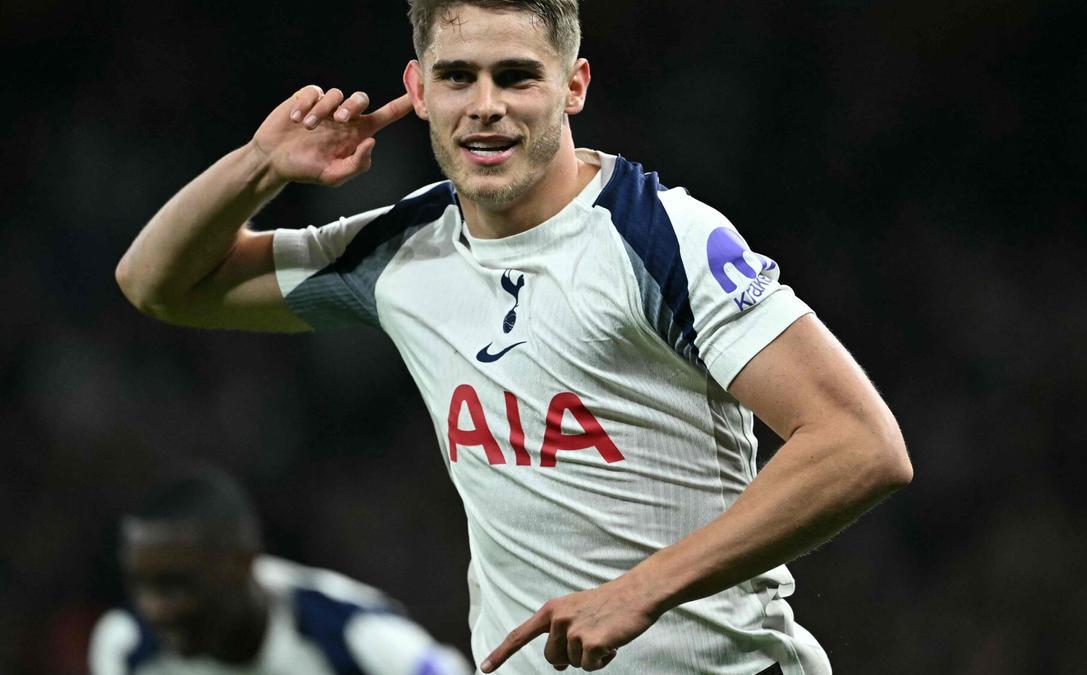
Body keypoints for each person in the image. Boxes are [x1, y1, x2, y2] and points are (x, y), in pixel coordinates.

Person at [114, 1, 913, 672]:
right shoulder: (402, 247)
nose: (485, 103)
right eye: (458, 76)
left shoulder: (660, 236)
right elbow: (157, 284)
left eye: (516, 75)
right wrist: (262, 165)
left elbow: (861, 443)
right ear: (417, 89)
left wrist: (644, 587)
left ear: (574, 85)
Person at [88, 467, 471, 675]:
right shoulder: (126, 646)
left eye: (174, 585)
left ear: (241, 564)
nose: (154, 608)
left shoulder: (351, 634)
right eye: (141, 586)